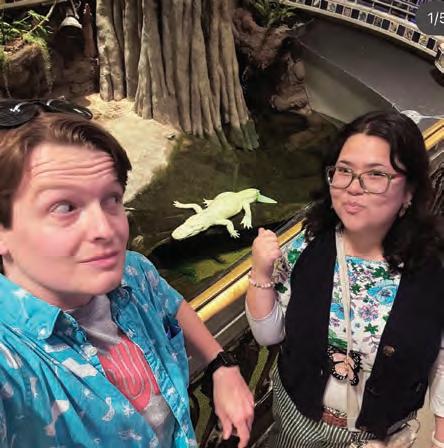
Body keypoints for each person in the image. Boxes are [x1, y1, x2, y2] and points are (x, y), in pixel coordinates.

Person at [0, 99, 254, 448]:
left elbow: (171, 303)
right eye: (65, 207)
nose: (107, 229)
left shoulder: (133, 271)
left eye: (112, 199)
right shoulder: (11, 358)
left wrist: (220, 364)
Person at [245, 111, 443, 447]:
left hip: (378, 434)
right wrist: (261, 271)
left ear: (409, 191)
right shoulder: (306, 248)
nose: (353, 187)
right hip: (297, 417)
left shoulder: (433, 269)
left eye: (376, 174)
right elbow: (269, 334)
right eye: (344, 171)